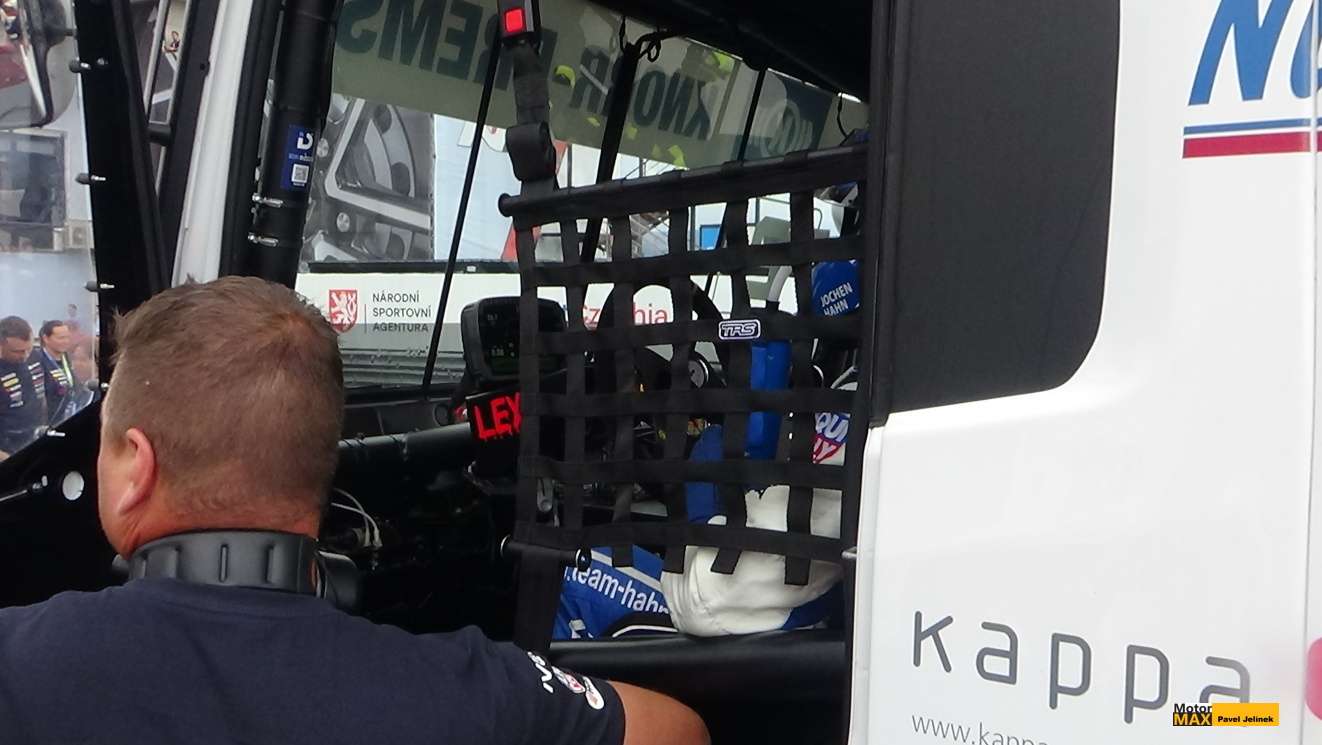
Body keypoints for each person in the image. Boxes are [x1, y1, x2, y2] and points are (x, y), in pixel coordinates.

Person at [0, 277, 707, 745]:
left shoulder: (17, 663)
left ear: (137, 464)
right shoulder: (474, 692)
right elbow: (680, 730)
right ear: (317, 462)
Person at [0, 315, 45, 461]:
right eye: (17, 351)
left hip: (36, 437)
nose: (25, 355)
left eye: (28, 349)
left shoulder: (35, 356)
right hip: (6, 447)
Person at [32, 319, 75, 423]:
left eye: (67, 337)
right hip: (50, 420)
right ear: (46, 339)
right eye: (61, 338)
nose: (66, 341)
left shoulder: (66, 357)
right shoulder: (37, 361)